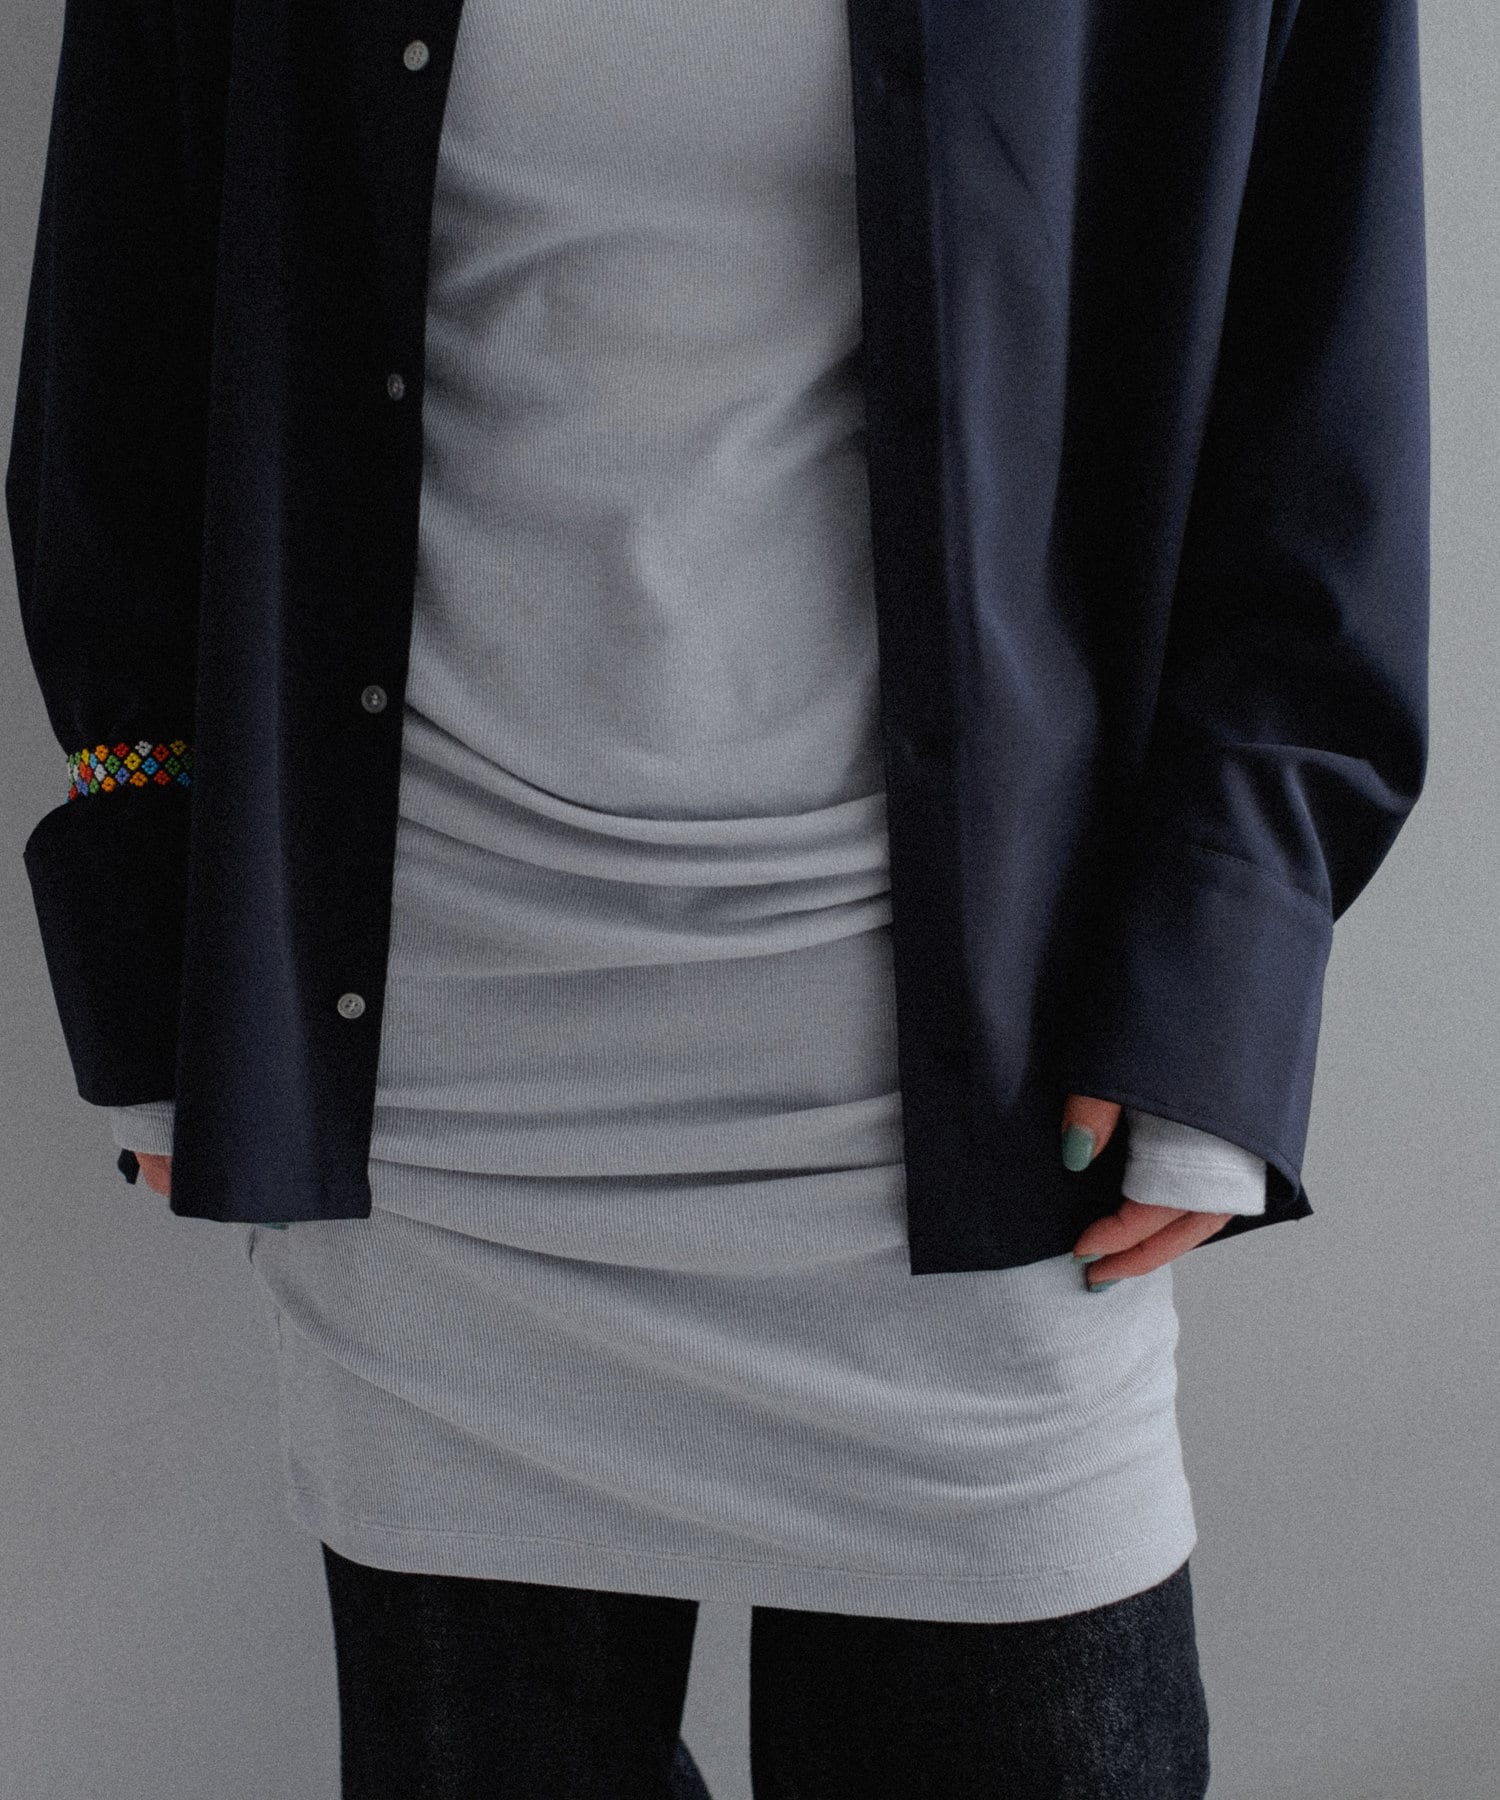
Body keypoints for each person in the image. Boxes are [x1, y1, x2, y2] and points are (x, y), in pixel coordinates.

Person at [9, 0, 1428, 1794]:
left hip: (984, 1108)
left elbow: (1320, 406)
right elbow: (119, 363)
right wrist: (157, 955)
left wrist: (1221, 980)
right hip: (442, 1111)